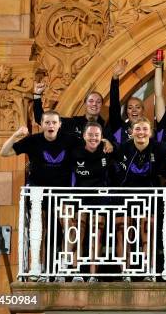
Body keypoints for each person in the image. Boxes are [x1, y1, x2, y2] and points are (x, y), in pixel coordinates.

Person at [0, 111, 84, 282]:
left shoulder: (70, 140)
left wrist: (106, 143)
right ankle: (39, 267)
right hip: (39, 193)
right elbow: (4, 152)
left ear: (60, 124)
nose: (51, 126)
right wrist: (15, 135)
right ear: (42, 124)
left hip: (63, 192)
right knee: (41, 230)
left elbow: (91, 146)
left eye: (54, 123)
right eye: (47, 123)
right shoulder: (33, 140)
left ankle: (64, 265)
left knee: (69, 226)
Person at [117, 117, 166, 282]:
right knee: (122, 231)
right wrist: (106, 142)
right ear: (131, 131)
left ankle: (149, 271)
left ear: (151, 132)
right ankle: (125, 272)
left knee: (147, 232)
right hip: (126, 196)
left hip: (150, 198)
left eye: (144, 129)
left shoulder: (160, 147)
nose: (141, 132)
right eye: (137, 129)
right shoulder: (123, 148)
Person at [71, 121, 121, 283]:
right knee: (79, 233)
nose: (93, 138)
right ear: (84, 136)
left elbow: (125, 151)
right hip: (80, 196)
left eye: (97, 135)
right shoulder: (75, 152)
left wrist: (109, 143)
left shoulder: (107, 150)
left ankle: (93, 274)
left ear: (102, 137)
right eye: (90, 135)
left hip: (100, 197)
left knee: (96, 234)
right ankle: (76, 272)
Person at [33, 82, 106, 136]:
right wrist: (37, 95)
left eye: (98, 102)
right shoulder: (73, 123)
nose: (94, 104)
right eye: (91, 101)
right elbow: (42, 119)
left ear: (101, 105)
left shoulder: (106, 127)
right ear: (85, 103)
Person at [108, 58, 146, 145]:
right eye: (130, 107)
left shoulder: (149, 131)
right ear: (126, 112)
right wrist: (115, 78)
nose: (134, 110)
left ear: (143, 110)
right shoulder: (119, 127)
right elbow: (114, 106)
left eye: (137, 107)